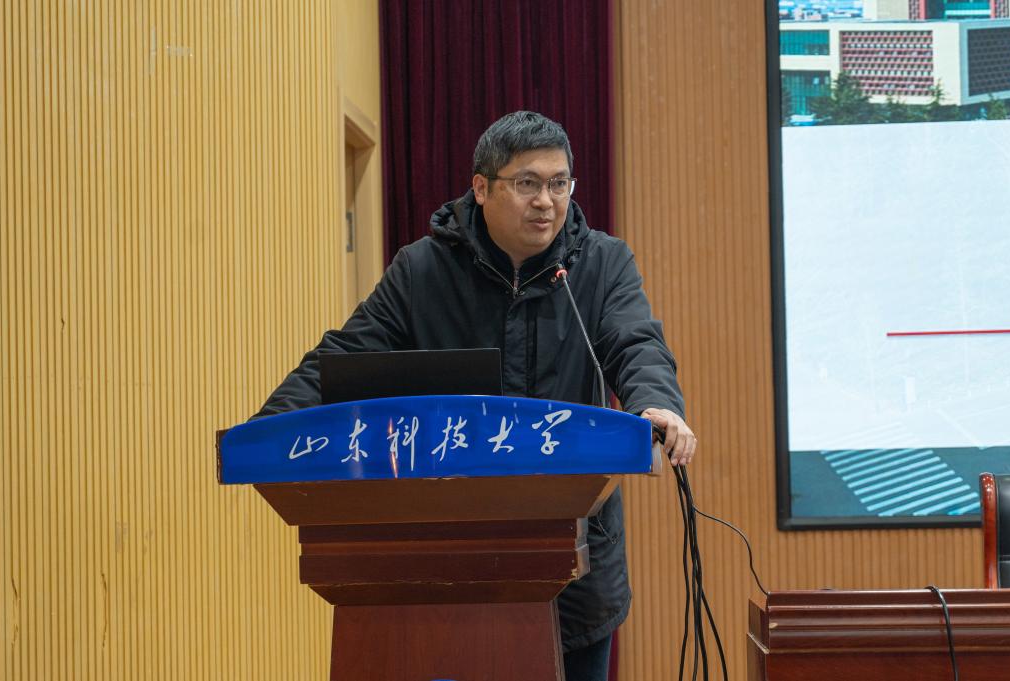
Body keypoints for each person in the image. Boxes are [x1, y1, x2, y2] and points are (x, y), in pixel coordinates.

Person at [255, 111, 696, 681]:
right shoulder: (422, 270)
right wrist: (269, 430)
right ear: (482, 187)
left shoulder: (602, 263)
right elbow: (344, 358)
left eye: (559, 183)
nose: (546, 202)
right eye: (527, 183)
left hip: (575, 562)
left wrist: (655, 403)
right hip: (447, 567)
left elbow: (635, 344)